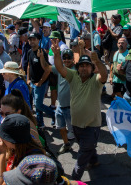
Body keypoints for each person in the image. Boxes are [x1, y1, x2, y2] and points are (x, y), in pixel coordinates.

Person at [52, 38, 108, 180]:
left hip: (91, 126)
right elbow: (60, 68)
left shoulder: (96, 80)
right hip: (76, 124)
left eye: (87, 65)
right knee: (86, 147)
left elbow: (104, 75)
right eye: (81, 65)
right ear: (78, 68)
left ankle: (74, 179)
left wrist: (98, 62)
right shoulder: (73, 76)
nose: (84, 68)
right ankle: (94, 159)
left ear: (91, 68)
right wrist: (57, 55)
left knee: (82, 155)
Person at [39, 48, 76, 154]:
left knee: (77, 132)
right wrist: (42, 57)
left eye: (69, 57)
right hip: (60, 105)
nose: (67, 60)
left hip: (72, 107)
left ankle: (86, 151)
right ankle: (66, 144)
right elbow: (46, 67)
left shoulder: (76, 70)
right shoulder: (60, 69)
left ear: (73, 59)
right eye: (64, 58)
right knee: (61, 128)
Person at [0, 114, 45, 185]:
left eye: (3, 136)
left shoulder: (25, 165)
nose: (0, 138)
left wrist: (2, 153)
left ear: (12, 141)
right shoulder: (25, 146)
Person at [26, 33, 55, 128]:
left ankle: (54, 114)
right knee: (36, 103)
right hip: (33, 82)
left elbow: (47, 70)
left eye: (34, 39)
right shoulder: (29, 52)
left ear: (39, 40)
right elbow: (29, 66)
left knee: (38, 104)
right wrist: (28, 79)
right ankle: (40, 122)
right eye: (30, 39)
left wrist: (40, 82)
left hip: (41, 83)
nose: (32, 41)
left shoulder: (42, 53)